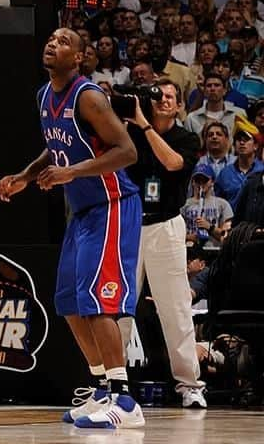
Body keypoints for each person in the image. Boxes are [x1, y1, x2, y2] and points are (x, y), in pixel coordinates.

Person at [0, 28, 144, 428]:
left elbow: (127, 151)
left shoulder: (89, 96)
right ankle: (99, 387)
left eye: (63, 41)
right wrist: (27, 176)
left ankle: (125, 399)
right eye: (51, 39)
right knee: (69, 304)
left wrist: (70, 173)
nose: (52, 43)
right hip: (81, 212)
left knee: (98, 304)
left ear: (78, 57)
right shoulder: (44, 96)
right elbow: (56, 145)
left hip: (112, 205)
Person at [118, 78, 207, 408]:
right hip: (129, 224)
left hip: (166, 226)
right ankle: (113, 382)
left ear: (180, 105)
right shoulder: (128, 133)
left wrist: (143, 124)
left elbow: (172, 163)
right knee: (120, 306)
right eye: (158, 95)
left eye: (171, 96)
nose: (164, 100)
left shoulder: (186, 138)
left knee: (176, 308)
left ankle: (190, 385)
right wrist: (131, 119)